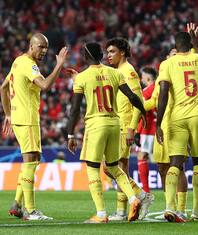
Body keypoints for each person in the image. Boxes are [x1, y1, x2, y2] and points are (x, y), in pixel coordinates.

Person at [66, 42, 147, 223]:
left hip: (96, 124)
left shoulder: (82, 78)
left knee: (93, 168)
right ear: (101, 55)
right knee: (113, 166)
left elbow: (75, 109)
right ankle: (134, 199)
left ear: (85, 58)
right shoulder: (115, 73)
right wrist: (143, 113)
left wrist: (70, 134)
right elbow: (133, 96)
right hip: (114, 124)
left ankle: (101, 214)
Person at [0, 33, 68, 220]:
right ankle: (30, 211)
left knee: (33, 160)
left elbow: (3, 87)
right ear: (31, 46)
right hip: (28, 119)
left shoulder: (18, 61)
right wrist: (59, 65)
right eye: (41, 47)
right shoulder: (29, 64)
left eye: (46, 48)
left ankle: (16, 203)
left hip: (20, 118)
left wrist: (8, 114)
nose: (44, 51)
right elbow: (45, 85)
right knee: (30, 163)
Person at [156, 23, 198, 222]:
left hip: (177, 117)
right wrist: (197, 42)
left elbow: (163, 93)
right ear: (191, 44)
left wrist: (158, 124)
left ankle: (169, 207)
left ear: (175, 45)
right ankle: (196, 211)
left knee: (175, 162)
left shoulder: (167, 64)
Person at [106, 37, 154, 221]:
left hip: (124, 125)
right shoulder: (117, 70)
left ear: (122, 53)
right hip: (118, 124)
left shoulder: (129, 71)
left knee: (109, 168)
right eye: (107, 52)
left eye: (112, 52)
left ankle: (142, 195)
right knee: (121, 168)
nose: (108, 55)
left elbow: (138, 100)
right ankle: (121, 211)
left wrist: (132, 128)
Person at [143, 56, 189, 220]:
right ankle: (171, 206)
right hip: (162, 126)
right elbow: (154, 101)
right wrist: (137, 104)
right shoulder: (162, 77)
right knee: (163, 168)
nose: (172, 58)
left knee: (178, 167)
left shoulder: (185, 78)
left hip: (178, 124)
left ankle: (182, 208)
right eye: (170, 55)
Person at [135, 67, 157, 194]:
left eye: (142, 77)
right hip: (161, 127)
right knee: (165, 162)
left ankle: (146, 190)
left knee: (142, 156)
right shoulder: (160, 87)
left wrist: (137, 131)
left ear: (148, 78)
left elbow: (140, 111)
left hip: (148, 129)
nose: (141, 79)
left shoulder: (147, 91)